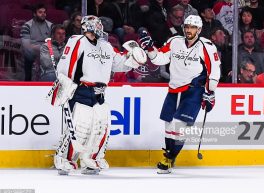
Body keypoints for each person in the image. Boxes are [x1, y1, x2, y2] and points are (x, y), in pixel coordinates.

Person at [52, 15, 146, 175]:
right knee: (80, 127)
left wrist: (134, 59)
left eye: (99, 23)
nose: (99, 26)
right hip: (81, 89)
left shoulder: (106, 46)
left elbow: (119, 64)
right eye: (96, 23)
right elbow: (66, 66)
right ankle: (63, 159)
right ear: (87, 26)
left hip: (100, 91)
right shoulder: (77, 41)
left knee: (100, 127)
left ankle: (90, 159)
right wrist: (64, 88)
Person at [139, 15, 220, 173]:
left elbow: (214, 72)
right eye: (187, 27)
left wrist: (210, 92)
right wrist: (150, 48)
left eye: (193, 27)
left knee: (179, 126)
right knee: (169, 125)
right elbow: (159, 59)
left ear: (199, 29)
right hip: (174, 88)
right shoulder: (174, 41)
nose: (189, 30)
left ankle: (169, 157)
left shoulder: (207, 46)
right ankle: (170, 156)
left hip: (194, 90)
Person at [20, 3, 53, 81]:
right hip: (31, 54)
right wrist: (39, 51)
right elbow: (26, 46)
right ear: (34, 14)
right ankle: (28, 83)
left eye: (44, 12)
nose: (43, 14)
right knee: (28, 55)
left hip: (47, 54)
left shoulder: (51, 26)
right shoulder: (27, 26)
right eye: (40, 12)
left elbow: (53, 43)